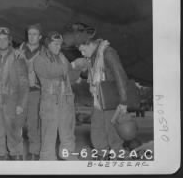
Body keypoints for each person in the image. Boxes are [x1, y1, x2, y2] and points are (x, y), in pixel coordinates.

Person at [74, 28, 128, 158]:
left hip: (110, 99)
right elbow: (94, 75)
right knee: (97, 130)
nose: (82, 53)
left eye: (83, 49)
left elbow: (120, 76)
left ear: (91, 44)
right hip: (98, 99)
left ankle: (119, 159)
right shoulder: (94, 56)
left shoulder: (108, 52)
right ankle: (101, 155)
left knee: (113, 132)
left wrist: (123, 101)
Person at [33, 31, 81, 160]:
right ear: (48, 44)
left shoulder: (62, 57)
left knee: (68, 132)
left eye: (60, 44)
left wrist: (78, 69)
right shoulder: (39, 59)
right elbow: (50, 72)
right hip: (50, 102)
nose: (58, 47)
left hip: (65, 100)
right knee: (49, 135)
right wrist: (73, 65)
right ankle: (48, 162)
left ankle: (68, 156)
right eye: (55, 44)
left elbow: (70, 77)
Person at [0, 27, 29, 160]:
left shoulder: (17, 58)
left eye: (5, 39)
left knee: (14, 134)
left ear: (9, 40)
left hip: (12, 100)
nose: (2, 42)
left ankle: (16, 161)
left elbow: (24, 83)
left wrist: (21, 104)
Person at [18, 23, 44, 160]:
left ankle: (34, 152)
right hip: (20, 92)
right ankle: (16, 152)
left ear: (40, 36)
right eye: (29, 34)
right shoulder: (21, 49)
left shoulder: (44, 51)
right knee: (17, 122)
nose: (32, 37)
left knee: (34, 123)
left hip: (35, 92)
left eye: (35, 34)